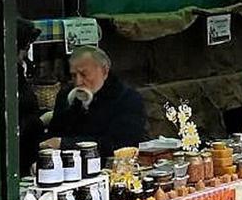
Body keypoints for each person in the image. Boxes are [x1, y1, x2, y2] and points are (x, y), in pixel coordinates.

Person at [43, 46, 146, 158]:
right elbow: (52, 137)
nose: (78, 82)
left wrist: (65, 144)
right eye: (73, 75)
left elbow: (122, 144)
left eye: (84, 74)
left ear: (105, 71)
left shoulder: (127, 99)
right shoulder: (66, 97)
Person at [17, 19, 45, 172]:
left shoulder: (16, 72)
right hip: (17, 154)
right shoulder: (4, 76)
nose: (27, 51)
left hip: (25, 151)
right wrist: (39, 120)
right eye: (26, 46)